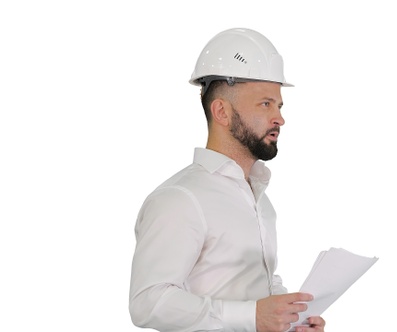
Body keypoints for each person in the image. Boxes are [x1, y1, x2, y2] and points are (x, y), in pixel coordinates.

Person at [129, 28, 326, 332]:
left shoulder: (259, 198)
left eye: (279, 105)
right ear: (221, 111)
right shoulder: (180, 199)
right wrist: (251, 317)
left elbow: (261, 283)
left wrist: (291, 319)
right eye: (265, 104)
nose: (279, 118)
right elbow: (148, 303)